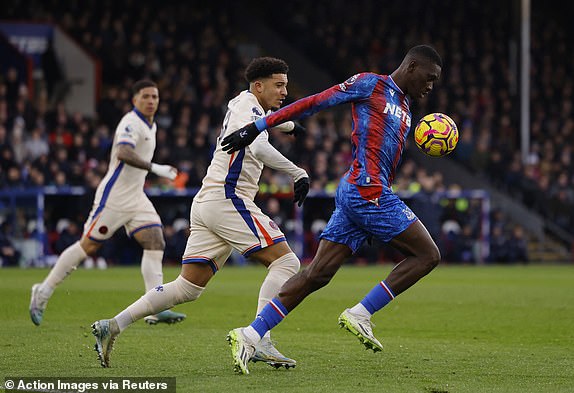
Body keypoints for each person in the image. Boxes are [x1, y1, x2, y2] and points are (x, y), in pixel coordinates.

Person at [222, 45, 443, 374]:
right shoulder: (371, 85)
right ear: (411, 67)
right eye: (429, 78)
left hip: (362, 194)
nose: (430, 86)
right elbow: (315, 102)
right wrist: (259, 126)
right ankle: (361, 312)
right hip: (367, 192)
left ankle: (250, 334)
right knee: (428, 255)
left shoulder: (407, 108)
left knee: (316, 274)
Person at [90, 57, 310, 369]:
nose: (285, 91)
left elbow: (264, 119)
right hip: (228, 198)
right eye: (279, 85)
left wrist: (287, 124)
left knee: (187, 287)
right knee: (286, 261)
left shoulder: (246, 105)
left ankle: (112, 325)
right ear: (258, 85)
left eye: (286, 85)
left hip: (208, 201)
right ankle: (259, 338)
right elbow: (258, 148)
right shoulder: (249, 106)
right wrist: (297, 172)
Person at [29, 80, 186, 326]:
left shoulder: (151, 125)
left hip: (136, 196)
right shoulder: (130, 122)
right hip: (114, 197)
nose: (151, 101)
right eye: (146, 96)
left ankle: (155, 305)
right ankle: (43, 290)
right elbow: (123, 152)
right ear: (134, 100)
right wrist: (156, 168)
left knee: (155, 240)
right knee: (87, 247)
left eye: (155, 97)